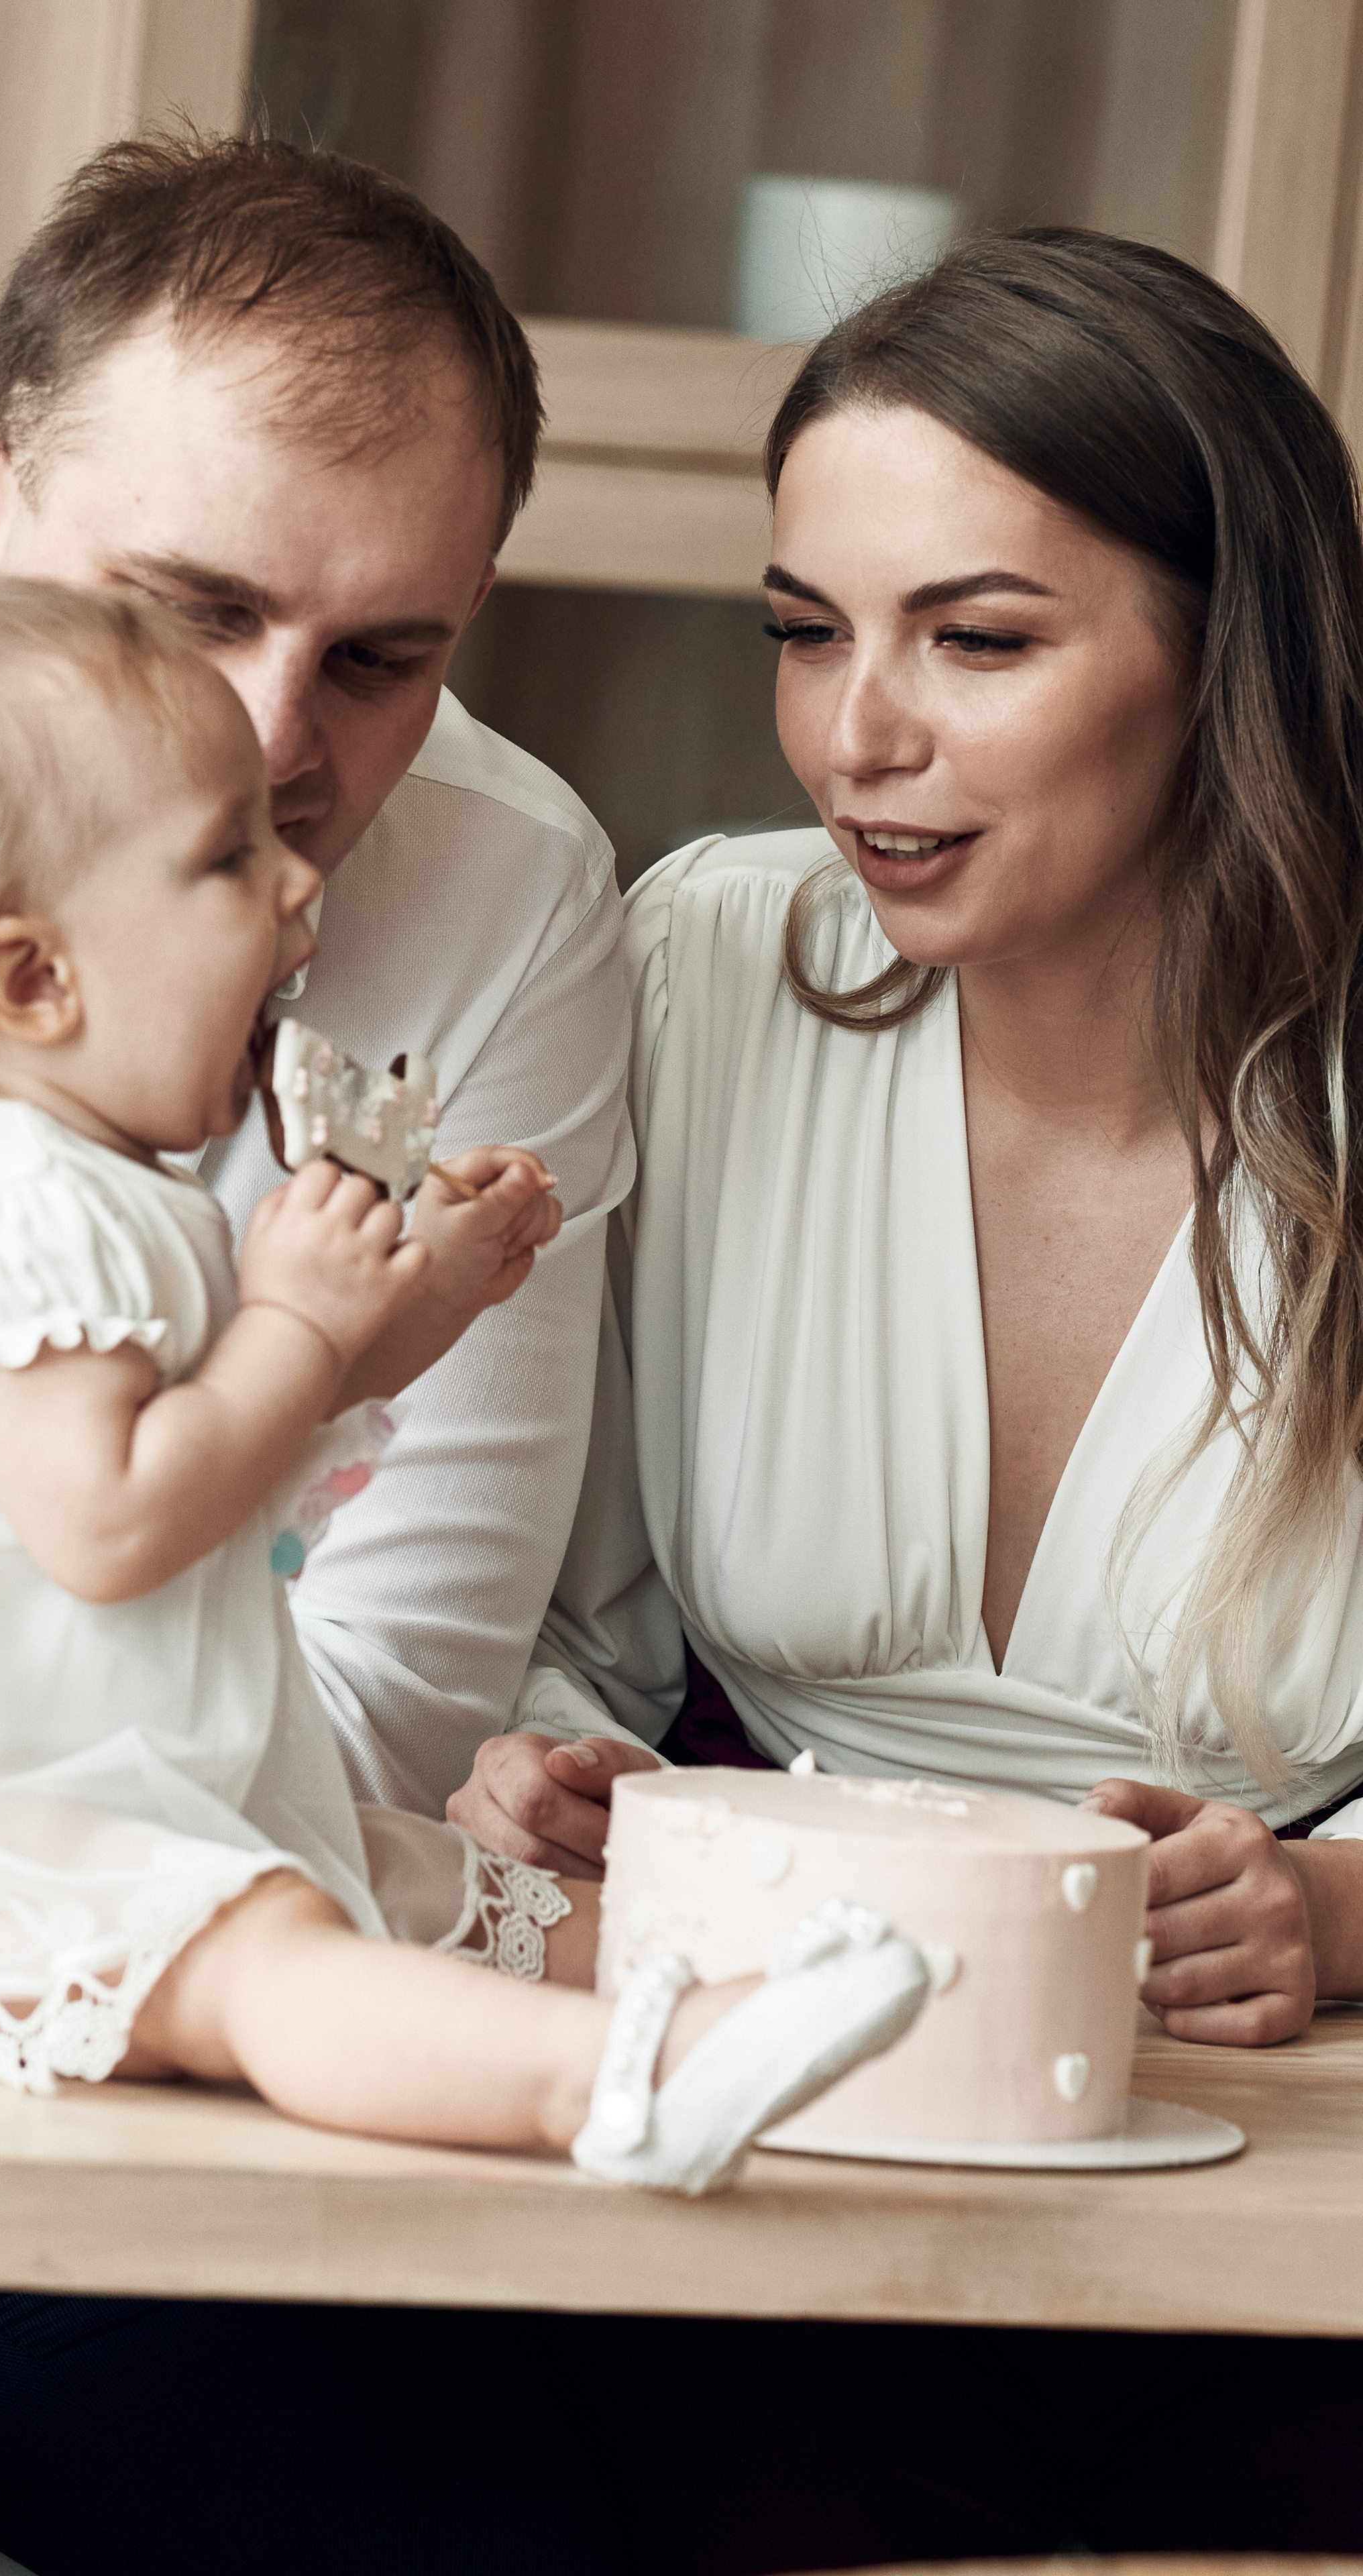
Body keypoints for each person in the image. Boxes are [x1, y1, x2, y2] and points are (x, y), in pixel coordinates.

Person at [0, 576, 928, 2188]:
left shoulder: (101, 1179)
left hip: (146, 1763)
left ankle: (784, 1998)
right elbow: (110, 1524)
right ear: (30, 981)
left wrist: (425, 1295)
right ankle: (623, 2083)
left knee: (426, 1888)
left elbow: (267, 1427)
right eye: (224, 862)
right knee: (270, 1957)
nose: (299, 893)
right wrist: (287, 1321)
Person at [0, 131, 631, 2033]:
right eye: (187, 609)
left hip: (147, 1928)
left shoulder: (512, 887)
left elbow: (388, 1683)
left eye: (380, 659)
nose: (275, 759)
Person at [453, 225, 1363, 2045]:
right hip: (770, 2006)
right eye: (806, 635)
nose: (857, 734)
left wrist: (1337, 1911)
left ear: (1226, 649)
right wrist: (557, 1764)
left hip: (1274, 2074)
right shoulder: (700, 967)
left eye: (978, 640)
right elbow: (560, 1595)